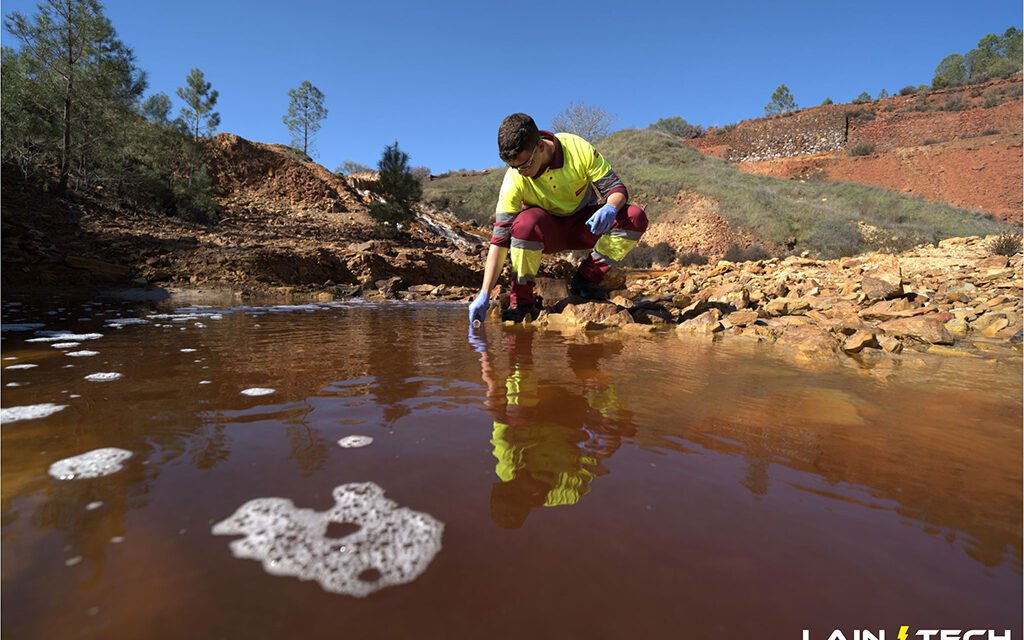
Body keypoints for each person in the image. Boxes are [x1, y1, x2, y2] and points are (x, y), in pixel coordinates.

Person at [468, 113, 649, 325]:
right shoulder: (514, 178)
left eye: (525, 165)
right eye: (514, 167)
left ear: (541, 147)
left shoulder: (576, 148)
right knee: (524, 224)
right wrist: (484, 293)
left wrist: (610, 207)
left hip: (586, 227)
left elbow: (616, 189)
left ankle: (587, 280)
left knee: (635, 217)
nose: (521, 173)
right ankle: (522, 301)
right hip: (547, 233)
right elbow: (499, 241)